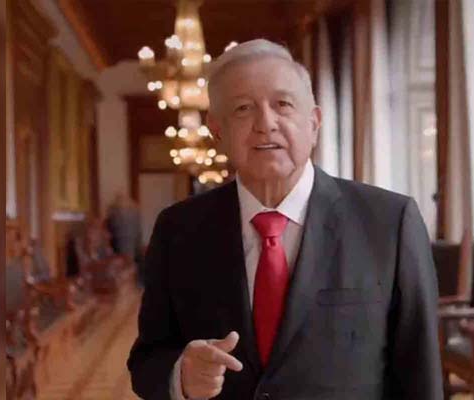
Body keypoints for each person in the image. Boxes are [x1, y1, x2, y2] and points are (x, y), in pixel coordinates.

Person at [127, 39, 442, 400]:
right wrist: (180, 376)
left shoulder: (389, 223)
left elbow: (420, 372)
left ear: (314, 123)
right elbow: (147, 360)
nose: (265, 124)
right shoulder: (177, 230)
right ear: (217, 130)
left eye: (283, 105)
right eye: (243, 108)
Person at [106, 192, 146, 287]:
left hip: (122, 248)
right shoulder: (134, 208)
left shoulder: (113, 209)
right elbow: (138, 234)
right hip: (129, 248)